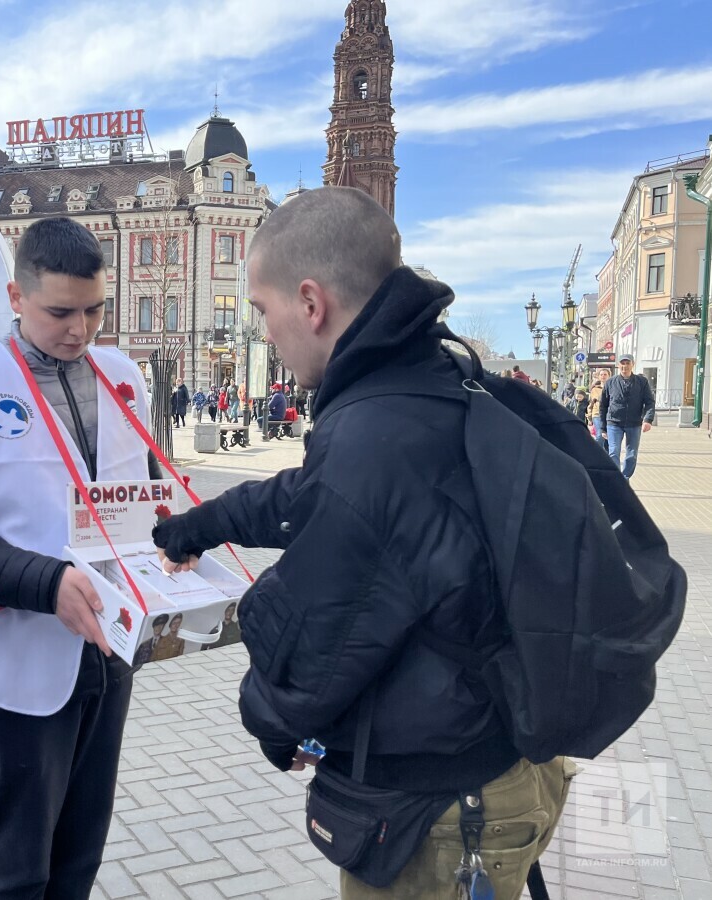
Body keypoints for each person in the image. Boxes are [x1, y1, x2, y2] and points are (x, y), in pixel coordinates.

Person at [152, 188, 571, 900]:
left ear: (310, 303)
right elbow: (321, 496)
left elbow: (319, 629)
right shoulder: (427, 379)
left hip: (438, 815)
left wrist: (272, 720)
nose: (265, 332)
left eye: (262, 310)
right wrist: (204, 523)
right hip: (500, 762)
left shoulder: (373, 430)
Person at [0, 217, 159, 900]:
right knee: (22, 864)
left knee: (82, 850)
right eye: (60, 312)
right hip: (26, 655)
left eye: (94, 310)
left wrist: (178, 546)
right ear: (16, 296)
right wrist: (48, 583)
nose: (80, 330)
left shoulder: (122, 376)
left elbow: (146, 499)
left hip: (111, 650)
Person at [599, 354, 655, 479]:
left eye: (627, 363)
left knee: (632, 454)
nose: (625, 366)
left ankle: (625, 477)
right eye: (622, 363)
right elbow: (603, 406)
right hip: (614, 423)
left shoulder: (642, 382)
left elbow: (649, 402)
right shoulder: (610, 382)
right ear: (618, 365)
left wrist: (648, 419)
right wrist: (603, 427)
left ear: (632, 364)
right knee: (613, 452)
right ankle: (617, 479)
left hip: (634, 423)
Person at [588, 368, 610, 449]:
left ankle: (607, 455)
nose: (603, 376)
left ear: (609, 376)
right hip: (597, 414)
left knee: (608, 438)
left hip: (609, 415)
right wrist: (589, 417)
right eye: (601, 375)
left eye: (605, 374)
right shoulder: (595, 389)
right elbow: (591, 404)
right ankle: (597, 453)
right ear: (599, 377)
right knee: (600, 435)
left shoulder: (613, 387)